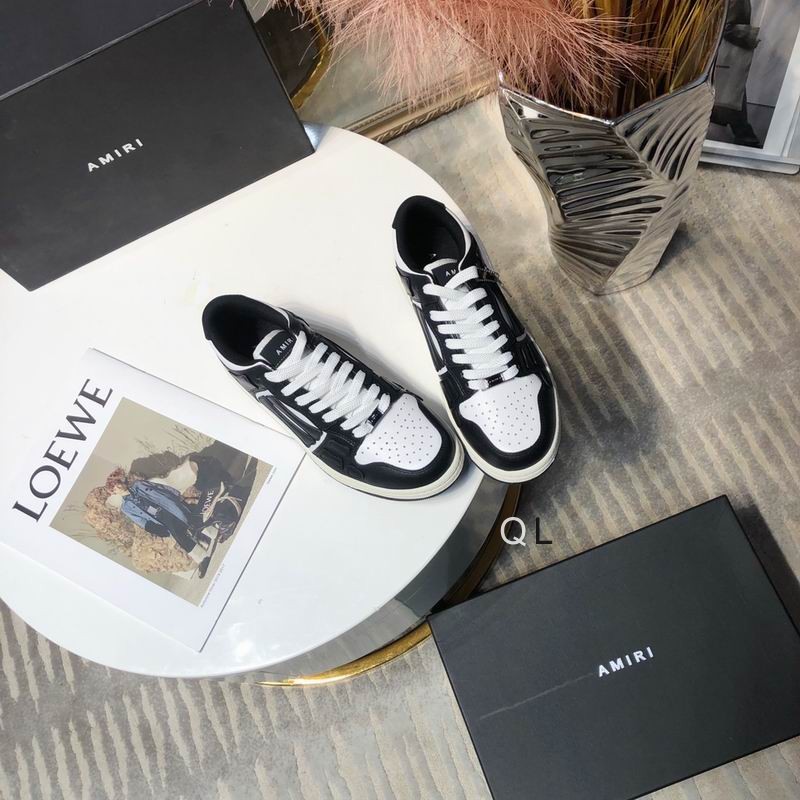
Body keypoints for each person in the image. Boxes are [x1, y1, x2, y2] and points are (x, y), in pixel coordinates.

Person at [105, 468, 219, 578]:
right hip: (160, 519)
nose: (119, 487)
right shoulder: (126, 507)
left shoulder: (138, 485)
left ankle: (215, 533)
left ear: (122, 482)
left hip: (168, 505)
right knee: (180, 537)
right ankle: (202, 558)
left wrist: (178, 496)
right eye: (115, 488)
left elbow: (160, 488)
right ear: (114, 492)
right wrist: (153, 528)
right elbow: (139, 520)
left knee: (191, 520)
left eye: (118, 483)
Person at [711, 0, 761, 148]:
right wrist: (748, 38)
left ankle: (745, 135)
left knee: (733, 90)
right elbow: (727, 27)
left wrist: (747, 38)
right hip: (724, 55)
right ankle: (745, 135)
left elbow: (725, 26)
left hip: (721, 54)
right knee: (733, 91)